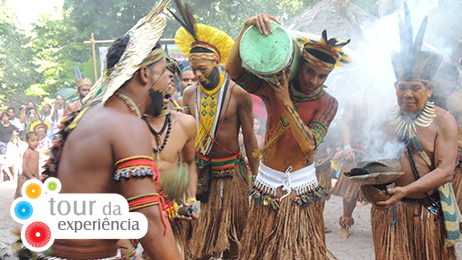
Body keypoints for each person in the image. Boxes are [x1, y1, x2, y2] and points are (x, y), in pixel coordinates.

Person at [38, 1, 182, 259]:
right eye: (164, 73)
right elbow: (148, 219)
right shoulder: (126, 124)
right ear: (145, 74)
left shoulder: (88, 115)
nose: (170, 87)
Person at [226, 14, 350, 259]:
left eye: (321, 76)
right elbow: (232, 70)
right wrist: (245, 27)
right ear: (299, 65)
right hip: (266, 185)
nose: (313, 80)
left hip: (300, 188)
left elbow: (308, 144)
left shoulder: (328, 103)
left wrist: (286, 101)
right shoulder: (273, 88)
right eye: (309, 71)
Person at [370, 5, 458, 259]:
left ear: (429, 89)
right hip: (391, 214)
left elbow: (445, 171)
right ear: (395, 87)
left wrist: (406, 190)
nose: (407, 93)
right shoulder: (385, 117)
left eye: (415, 87)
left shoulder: (444, 121)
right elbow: (377, 159)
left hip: (425, 212)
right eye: (402, 87)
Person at [173, 4, 259, 258]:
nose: (197, 74)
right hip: (200, 176)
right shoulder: (188, 95)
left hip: (232, 175)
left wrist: (258, 179)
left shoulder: (238, 94)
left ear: (217, 62)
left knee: (235, 239)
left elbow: (251, 140)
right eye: (193, 68)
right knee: (200, 241)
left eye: (203, 69)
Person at [330, 91, 370, 238]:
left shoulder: (387, 97)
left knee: (382, 191)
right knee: (350, 192)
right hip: (356, 148)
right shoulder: (355, 98)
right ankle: (345, 226)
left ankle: (383, 228)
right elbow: (345, 123)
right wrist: (347, 147)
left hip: (377, 149)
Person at [14, 132, 39, 199]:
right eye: (32, 141)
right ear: (26, 141)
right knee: (23, 197)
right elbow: (24, 166)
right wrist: (31, 177)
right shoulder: (27, 152)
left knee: (34, 196)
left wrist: (38, 175)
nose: (35, 142)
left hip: (34, 176)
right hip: (25, 177)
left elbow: (37, 165)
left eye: (37, 140)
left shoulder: (37, 152)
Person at [1, 112, 18, 181]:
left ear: (8, 117)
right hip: (2, 144)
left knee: (12, 160)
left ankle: (13, 176)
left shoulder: (12, 126)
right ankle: (5, 177)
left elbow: (15, 135)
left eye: (6, 116)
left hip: (11, 144)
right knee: (3, 160)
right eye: (3, 117)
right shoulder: (0, 126)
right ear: (2, 118)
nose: (5, 118)